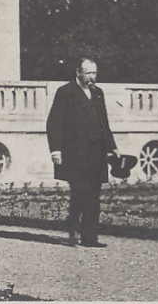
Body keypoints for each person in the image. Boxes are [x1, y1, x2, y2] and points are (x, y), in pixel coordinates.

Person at [46, 58, 119, 248]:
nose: (93, 77)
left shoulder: (98, 93)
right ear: (78, 72)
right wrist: (55, 150)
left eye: (95, 73)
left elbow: (104, 123)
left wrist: (113, 147)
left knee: (94, 194)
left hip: (97, 153)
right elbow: (53, 123)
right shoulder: (66, 92)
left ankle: (89, 237)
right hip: (75, 153)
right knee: (82, 192)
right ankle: (76, 229)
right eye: (89, 73)